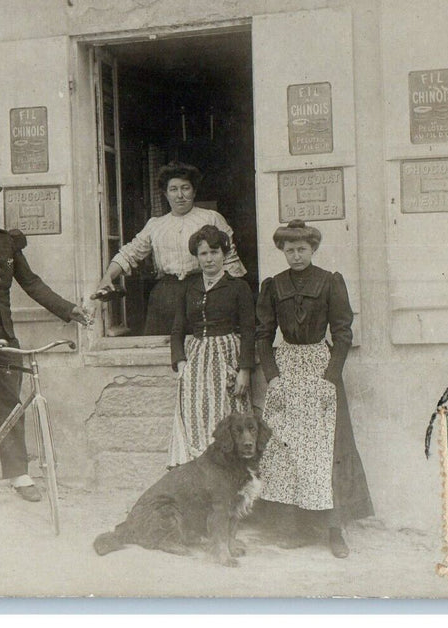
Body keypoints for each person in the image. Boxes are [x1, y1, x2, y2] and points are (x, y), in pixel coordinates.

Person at [0, 177, 92, 502]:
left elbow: (32, 283)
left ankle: (18, 473)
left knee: (11, 394)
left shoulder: (8, 242)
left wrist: (69, 310)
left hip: (3, 330)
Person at [255, 219, 373, 557]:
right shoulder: (273, 286)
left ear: (313, 249)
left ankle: (334, 530)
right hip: (287, 369)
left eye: (302, 249)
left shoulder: (330, 282)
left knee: (327, 451)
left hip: (321, 371)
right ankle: (297, 527)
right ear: (282, 251)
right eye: (289, 250)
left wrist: (330, 376)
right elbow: (263, 334)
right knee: (287, 448)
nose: (295, 255)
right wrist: (272, 376)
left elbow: (343, 332)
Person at [94, 163, 246, 335]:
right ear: (166, 194)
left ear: (194, 191)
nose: (180, 195)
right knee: (163, 346)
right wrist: (108, 277)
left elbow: (230, 260)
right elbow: (130, 253)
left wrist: (230, 296)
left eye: (185, 188)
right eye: (173, 189)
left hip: (203, 289)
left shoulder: (211, 218)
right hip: (166, 295)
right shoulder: (156, 225)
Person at [168, 225, 256, 467]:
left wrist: (244, 370)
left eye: (214, 252)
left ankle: (228, 475)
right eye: (203, 254)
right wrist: (181, 362)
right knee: (194, 416)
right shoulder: (188, 288)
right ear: (197, 257)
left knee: (226, 417)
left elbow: (249, 330)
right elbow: (177, 329)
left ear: (224, 254)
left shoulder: (238, 288)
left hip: (227, 359)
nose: (209, 259)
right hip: (195, 361)